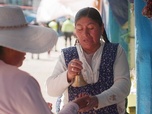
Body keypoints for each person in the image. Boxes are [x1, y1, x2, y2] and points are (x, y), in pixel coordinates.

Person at [0, 5, 91, 114]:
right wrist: (74, 105)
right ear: (10, 47)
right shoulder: (22, 81)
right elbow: (51, 88)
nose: (25, 52)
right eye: (22, 45)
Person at [46, 7, 131, 114]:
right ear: (75, 31)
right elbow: (51, 90)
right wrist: (68, 75)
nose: (85, 34)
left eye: (91, 28)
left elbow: (123, 86)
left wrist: (97, 100)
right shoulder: (67, 55)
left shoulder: (115, 51)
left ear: (101, 28)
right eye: (80, 29)